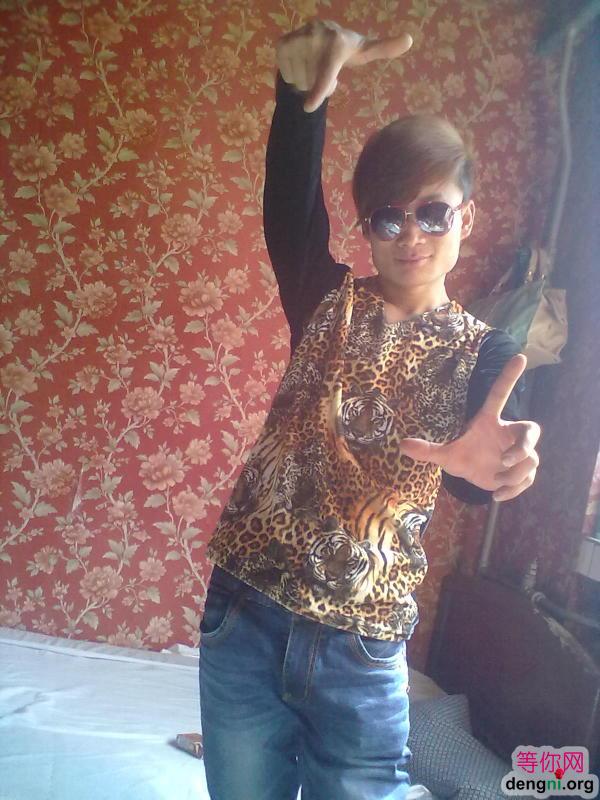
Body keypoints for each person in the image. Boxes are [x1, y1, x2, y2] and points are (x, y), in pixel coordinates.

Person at [198, 18, 541, 800]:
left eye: (433, 212)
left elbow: (473, 469)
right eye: (388, 217)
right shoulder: (325, 299)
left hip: (361, 649)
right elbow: (291, 208)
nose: (410, 234)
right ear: (367, 229)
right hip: (247, 617)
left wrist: (493, 472)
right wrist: (300, 98)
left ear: (466, 218)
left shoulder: (485, 352)